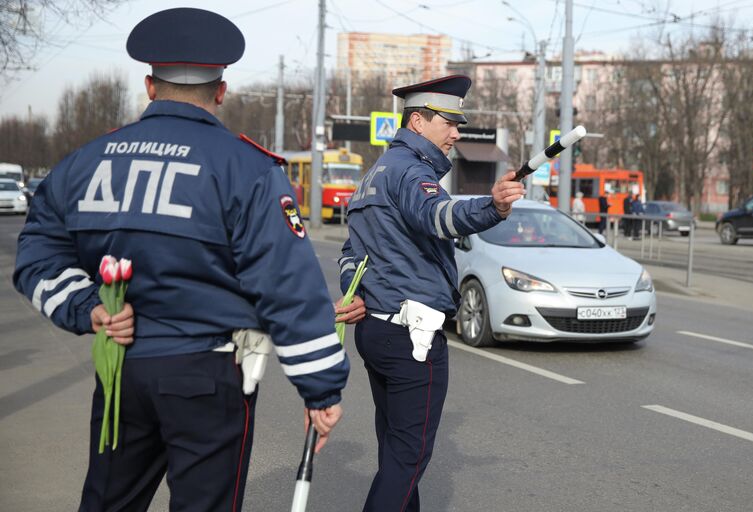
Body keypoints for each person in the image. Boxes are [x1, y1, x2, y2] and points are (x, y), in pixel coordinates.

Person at [13, 8, 348, 511]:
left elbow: (36, 252)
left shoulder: (86, 162)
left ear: (150, 86)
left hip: (121, 367)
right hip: (207, 377)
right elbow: (287, 286)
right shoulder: (247, 169)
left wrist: (88, 308)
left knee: (108, 502)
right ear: (221, 91)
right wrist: (320, 390)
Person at [334, 75, 525, 512]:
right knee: (407, 458)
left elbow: (350, 253)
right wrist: (492, 207)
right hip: (411, 337)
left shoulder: (375, 173)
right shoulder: (411, 172)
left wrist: (355, 290)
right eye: (449, 122)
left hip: (378, 331)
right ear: (418, 121)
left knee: (396, 450)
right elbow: (438, 216)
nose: (456, 133)